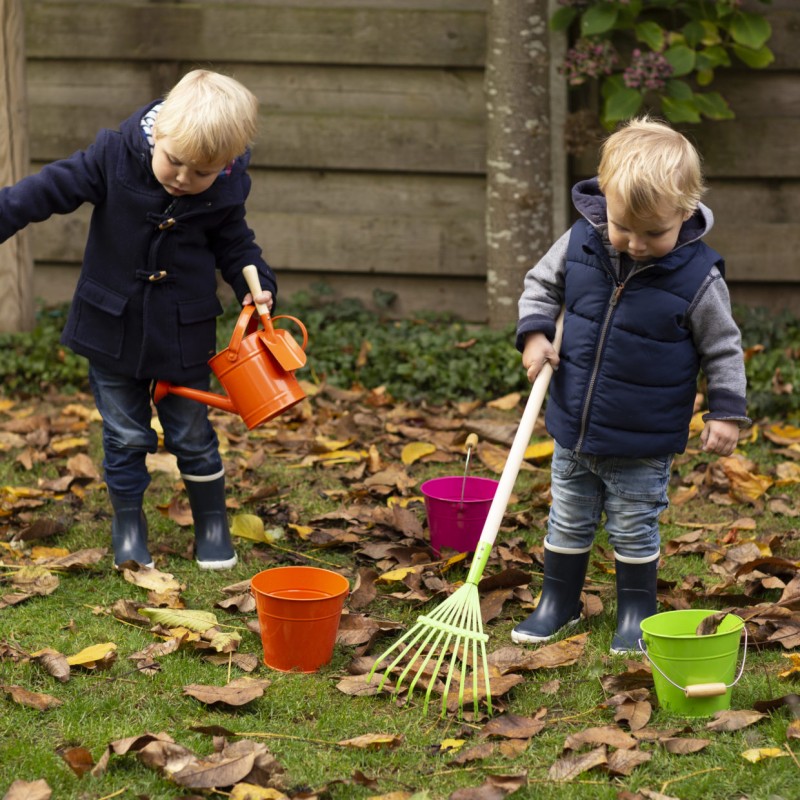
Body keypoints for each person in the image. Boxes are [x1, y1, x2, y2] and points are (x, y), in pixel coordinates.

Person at [0, 69, 277, 571]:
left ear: (227, 164)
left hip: (182, 336)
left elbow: (237, 246)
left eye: (202, 172)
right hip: (112, 330)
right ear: (159, 133)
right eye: (175, 162)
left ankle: (212, 524)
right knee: (125, 434)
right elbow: (47, 189)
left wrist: (257, 286)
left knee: (193, 435)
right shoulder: (112, 156)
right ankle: (129, 525)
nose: (183, 178)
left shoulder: (226, 188)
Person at [512, 116, 749, 653]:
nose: (636, 244)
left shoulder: (698, 279)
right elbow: (540, 286)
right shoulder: (581, 242)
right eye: (624, 228)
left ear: (685, 214)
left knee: (633, 525)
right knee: (567, 516)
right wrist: (534, 336)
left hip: (643, 440)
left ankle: (636, 610)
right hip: (575, 422)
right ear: (604, 198)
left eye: (654, 233)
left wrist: (726, 411)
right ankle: (559, 602)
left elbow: (723, 346)